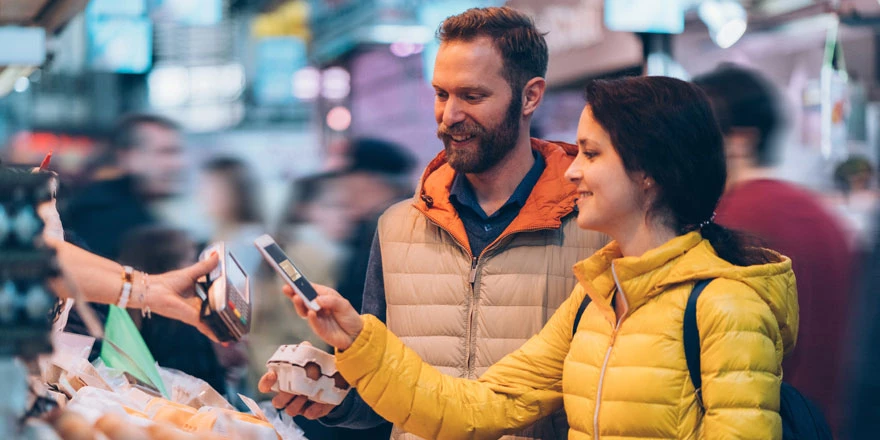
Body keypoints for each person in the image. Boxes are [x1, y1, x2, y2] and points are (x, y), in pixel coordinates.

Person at [264, 75, 799, 439]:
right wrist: (358, 339)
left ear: (649, 172)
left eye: (591, 154)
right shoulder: (596, 298)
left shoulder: (726, 308)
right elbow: (476, 406)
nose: (571, 170)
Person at [270, 7, 608, 440]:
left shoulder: (595, 228)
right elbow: (384, 394)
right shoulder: (396, 227)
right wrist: (329, 397)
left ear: (530, 97)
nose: (449, 115)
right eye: (441, 94)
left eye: (472, 96)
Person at [693, 64, 853, 430]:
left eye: (696, 132)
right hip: (827, 424)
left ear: (740, 140)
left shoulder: (729, 223)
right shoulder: (820, 213)